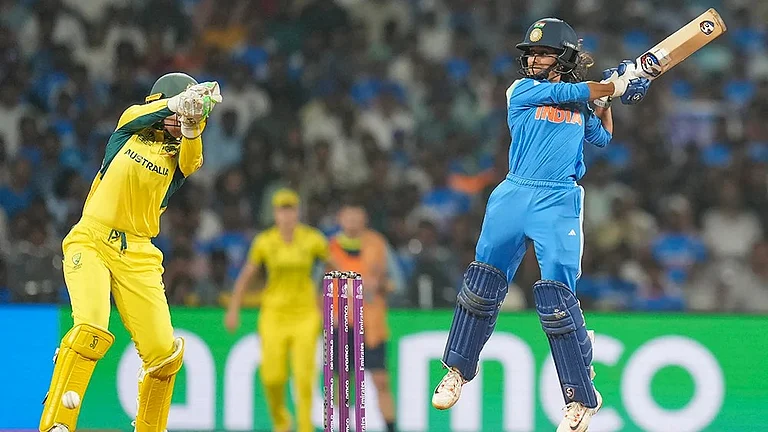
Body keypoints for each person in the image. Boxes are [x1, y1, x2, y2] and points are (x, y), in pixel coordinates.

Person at [430, 17, 651, 432]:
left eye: (541, 52)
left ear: (562, 57)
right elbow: (579, 91)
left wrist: (607, 102)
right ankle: (456, 371)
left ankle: (580, 397)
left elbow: (601, 138)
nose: (531, 59)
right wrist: (614, 86)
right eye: (529, 53)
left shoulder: (578, 101)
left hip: (558, 199)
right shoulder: (522, 90)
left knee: (555, 298)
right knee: (481, 284)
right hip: (514, 193)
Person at [39, 72, 222, 432]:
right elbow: (138, 116)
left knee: (164, 354)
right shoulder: (128, 129)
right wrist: (174, 105)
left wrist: (190, 123)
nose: (181, 117)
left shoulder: (180, 156)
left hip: (138, 253)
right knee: (91, 326)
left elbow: (192, 154)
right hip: (91, 239)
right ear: (161, 101)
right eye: (177, 107)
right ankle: (58, 422)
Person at [225, 188, 335, 432]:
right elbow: (246, 276)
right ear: (275, 213)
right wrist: (234, 308)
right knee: (272, 376)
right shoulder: (265, 242)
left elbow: (331, 267)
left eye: (291, 209)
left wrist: (332, 295)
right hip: (274, 314)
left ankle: (305, 427)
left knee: (304, 377)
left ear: (298, 212)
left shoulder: (313, 239)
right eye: (282, 210)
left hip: (305, 314)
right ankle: (281, 421)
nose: (287, 215)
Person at [328, 199, 397, 432]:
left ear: (364, 219)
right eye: (348, 217)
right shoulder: (330, 247)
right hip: (341, 323)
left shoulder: (378, 245)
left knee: (380, 380)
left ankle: (391, 427)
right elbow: (319, 286)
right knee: (341, 381)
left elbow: (397, 284)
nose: (353, 222)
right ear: (340, 219)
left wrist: (378, 285)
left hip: (371, 325)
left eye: (357, 217)